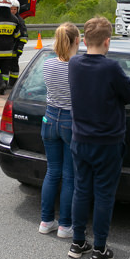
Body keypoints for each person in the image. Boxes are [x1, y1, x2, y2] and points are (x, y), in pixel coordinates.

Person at [68, 17, 130, 259]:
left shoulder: (74, 63)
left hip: (80, 140)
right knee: (104, 194)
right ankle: (99, 249)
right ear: (108, 41)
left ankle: (77, 243)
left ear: (84, 41)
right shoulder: (111, 68)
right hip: (107, 142)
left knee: (81, 190)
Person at [39, 22, 81, 239]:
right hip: (69, 121)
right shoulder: (78, 67)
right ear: (76, 41)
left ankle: (46, 221)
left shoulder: (47, 64)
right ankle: (65, 225)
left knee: (52, 171)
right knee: (69, 175)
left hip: (50, 118)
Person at [7, 0, 28, 88]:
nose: (13, 11)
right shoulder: (6, 19)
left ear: (17, 10)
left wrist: (20, 48)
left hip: (15, 47)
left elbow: (23, 36)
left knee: (14, 66)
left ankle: (13, 83)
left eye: (15, 9)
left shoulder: (20, 21)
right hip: (6, 47)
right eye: (11, 9)